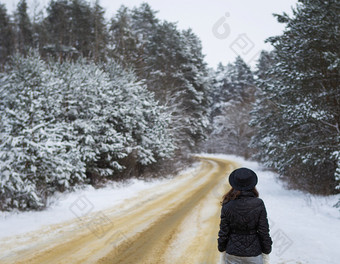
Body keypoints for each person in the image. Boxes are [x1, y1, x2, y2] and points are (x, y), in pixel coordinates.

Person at [217, 167, 272, 264]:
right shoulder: (258, 203)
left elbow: (224, 231)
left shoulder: (227, 204)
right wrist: (266, 250)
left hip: (232, 252)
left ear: (234, 184)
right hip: (254, 253)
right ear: (252, 184)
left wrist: (221, 247)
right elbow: (263, 230)